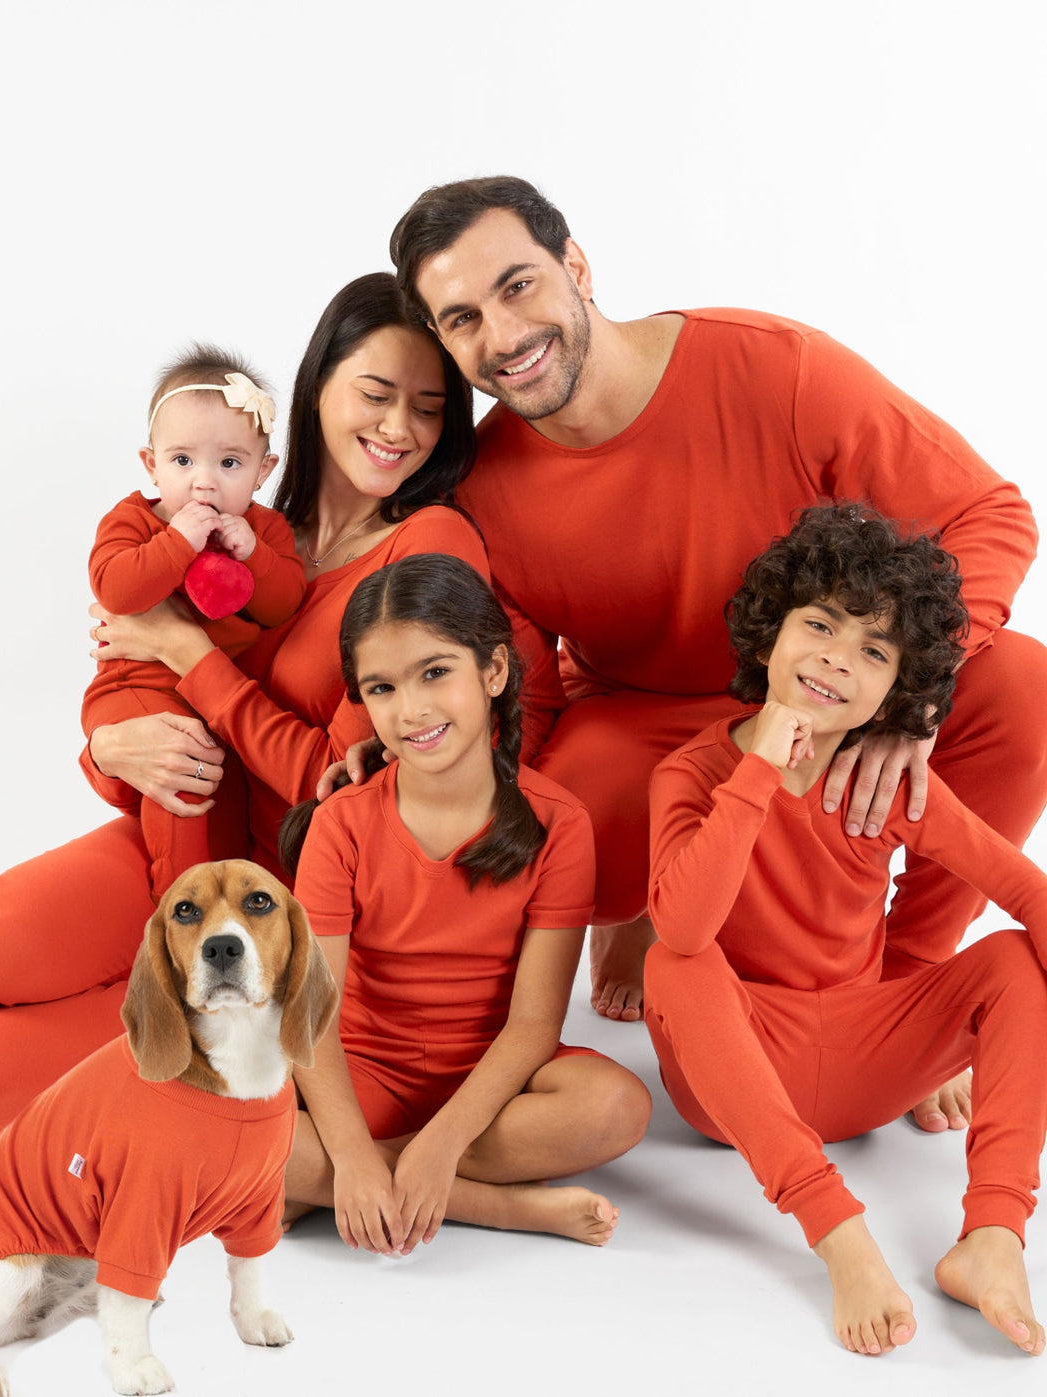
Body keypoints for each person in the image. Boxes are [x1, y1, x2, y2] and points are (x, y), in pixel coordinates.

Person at [385, 175, 1047, 1137]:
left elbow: (989, 515)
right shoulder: (484, 489)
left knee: (1023, 688)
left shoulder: (774, 368)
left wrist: (910, 708)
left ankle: (897, 986)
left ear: (576, 265)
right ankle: (649, 916)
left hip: (826, 697)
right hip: (644, 725)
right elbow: (522, 711)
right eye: (463, 319)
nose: (502, 335)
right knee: (536, 820)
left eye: (519, 285)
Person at [0, 273, 493, 1141]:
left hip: (268, 903)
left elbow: (350, 793)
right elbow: (138, 683)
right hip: (172, 834)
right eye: (374, 393)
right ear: (318, 385)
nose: (399, 427)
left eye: (430, 408)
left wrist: (187, 651)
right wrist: (109, 747)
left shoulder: (427, 545)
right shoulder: (253, 519)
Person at [644, 504, 1047, 1357]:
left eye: (873, 650)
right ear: (768, 637)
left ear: (896, 694)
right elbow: (683, 922)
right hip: (738, 1071)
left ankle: (995, 1235)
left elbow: (1022, 888)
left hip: (865, 1059)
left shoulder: (889, 783)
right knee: (673, 962)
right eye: (819, 624)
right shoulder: (694, 773)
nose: (835, 656)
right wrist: (758, 773)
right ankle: (837, 1232)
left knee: (1014, 958)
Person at [282, 553, 651, 1251]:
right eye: (383, 687)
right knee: (221, 1124)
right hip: (365, 1071)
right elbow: (310, 1020)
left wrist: (442, 1142)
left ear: (494, 671)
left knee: (619, 1107)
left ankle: (347, 1186)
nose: (411, 708)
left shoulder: (559, 823)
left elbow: (535, 1024)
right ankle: (494, 1206)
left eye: (435, 672)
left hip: (494, 1084)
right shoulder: (341, 823)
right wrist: (355, 1155)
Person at [83, 344, 306, 898]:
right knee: (180, 768)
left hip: (215, 701)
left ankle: (219, 898)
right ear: (151, 463)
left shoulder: (266, 531)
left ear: (263, 471)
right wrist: (178, 543)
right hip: (135, 686)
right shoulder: (134, 520)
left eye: (229, 463)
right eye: (183, 461)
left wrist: (252, 555)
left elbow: (283, 605)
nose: (203, 483)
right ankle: (178, 898)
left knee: (218, 797)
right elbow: (116, 589)